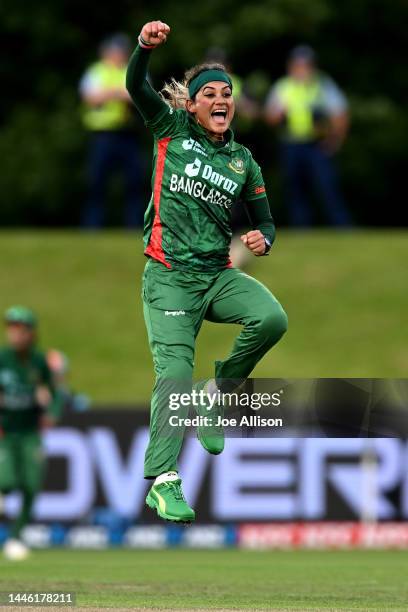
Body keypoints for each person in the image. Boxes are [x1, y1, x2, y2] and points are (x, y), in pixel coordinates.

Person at [126, 21, 288, 523]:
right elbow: (136, 87)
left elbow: (264, 222)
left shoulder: (243, 161)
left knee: (271, 317)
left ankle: (218, 393)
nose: (221, 100)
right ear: (192, 105)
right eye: (209, 94)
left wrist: (265, 237)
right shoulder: (168, 130)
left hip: (216, 276)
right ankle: (165, 481)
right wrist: (142, 49)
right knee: (173, 375)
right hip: (169, 276)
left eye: (228, 94)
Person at [0, 307, 62, 560]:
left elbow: (56, 393)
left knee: (31, 485)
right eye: (12, 329)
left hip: (30, 432)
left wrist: (51, 412)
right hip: (5, 431)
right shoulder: (2, 358)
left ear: (31, 333)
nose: (16, 334)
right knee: (8, 481)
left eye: (21, 329)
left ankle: (15, 538)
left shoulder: (38, 361)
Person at [265, 45, 351, 226]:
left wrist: (335, 140)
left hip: (316, 145)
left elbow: (340, 114)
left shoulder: (322, 85)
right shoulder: (283, 87)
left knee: (328, 188)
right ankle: (301, 231)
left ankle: (343, 228)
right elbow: (270, 117)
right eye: (298, 65)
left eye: (306, 65)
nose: (302, 69)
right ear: (291, 66)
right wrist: (278, 116)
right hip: (291, 144)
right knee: (295, 190)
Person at [80, 33, 143, 228]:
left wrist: (108, 93)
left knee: (135, 182)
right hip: (102, 135)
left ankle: (134, 226)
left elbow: (141, 95)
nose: (118, 54)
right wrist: (119, 92)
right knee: (96, 183)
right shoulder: (96, 72)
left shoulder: (133, 70)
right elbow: (90, 97)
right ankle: (92, 226)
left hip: (128, 134)